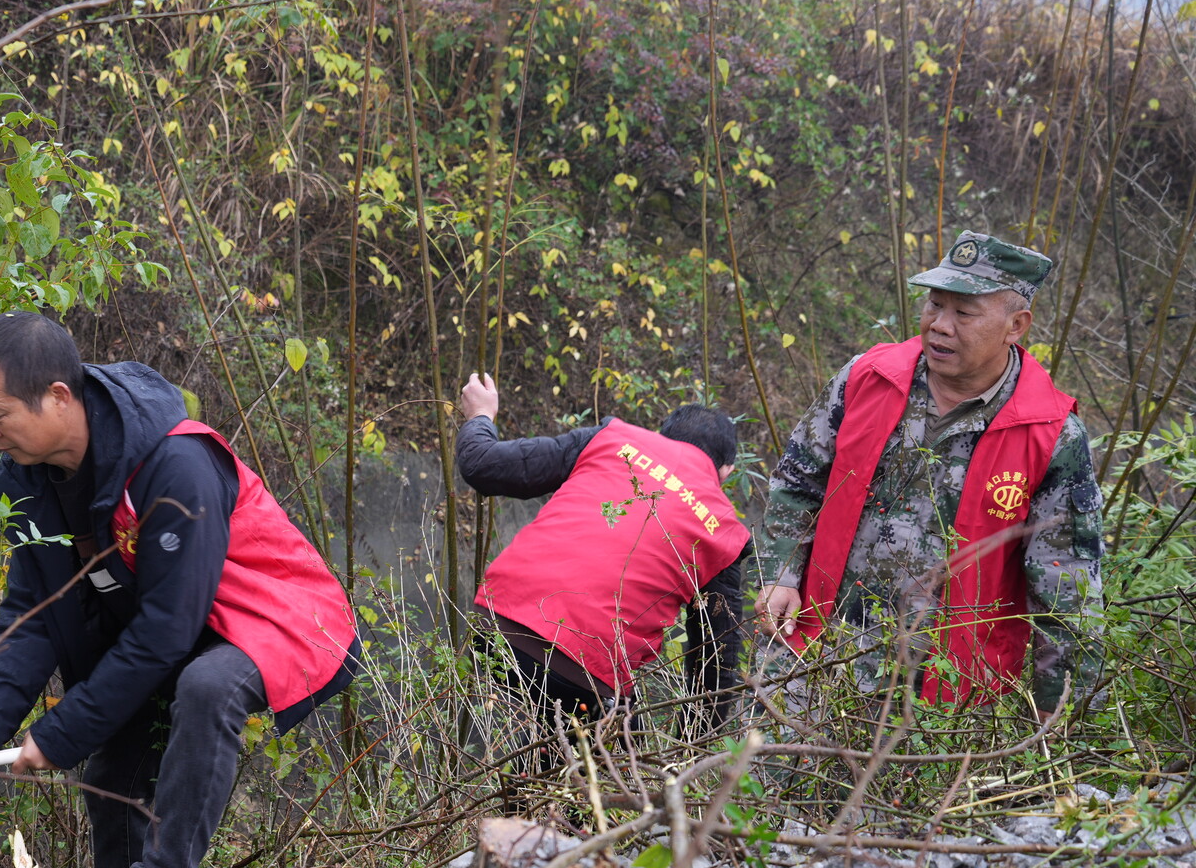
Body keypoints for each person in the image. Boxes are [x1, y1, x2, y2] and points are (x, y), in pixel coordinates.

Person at [0, 312, 357, 868]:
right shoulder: (29, 485)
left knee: (208, 688)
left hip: (273, 615)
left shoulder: (175, 462)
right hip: (173, 628)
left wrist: (58, 734)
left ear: (57, 397)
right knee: (112, 771)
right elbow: (34, 613)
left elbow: (166, 629)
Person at [755, 231, 1103, 716]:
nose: (939, 325)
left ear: (1016, 325)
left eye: (964, 313)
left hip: (946, 698)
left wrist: (1056, 724)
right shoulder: (868, 378)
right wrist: (780, 574)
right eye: (935, 305)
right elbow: (797, 481)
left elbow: (1066, 595)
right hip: (812, 655)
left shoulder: (1049, 434)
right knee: (760, 784)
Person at [457, 373, 753, 729]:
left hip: (494, 627)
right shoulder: (722, 529)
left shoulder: (612, 438)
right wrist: (685, 761)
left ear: (659, 436)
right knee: (623, 772)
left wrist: (480, 415)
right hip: (581, 676)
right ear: (727, 471)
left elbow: (483, 465)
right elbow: (716, 667)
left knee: (557, 751)